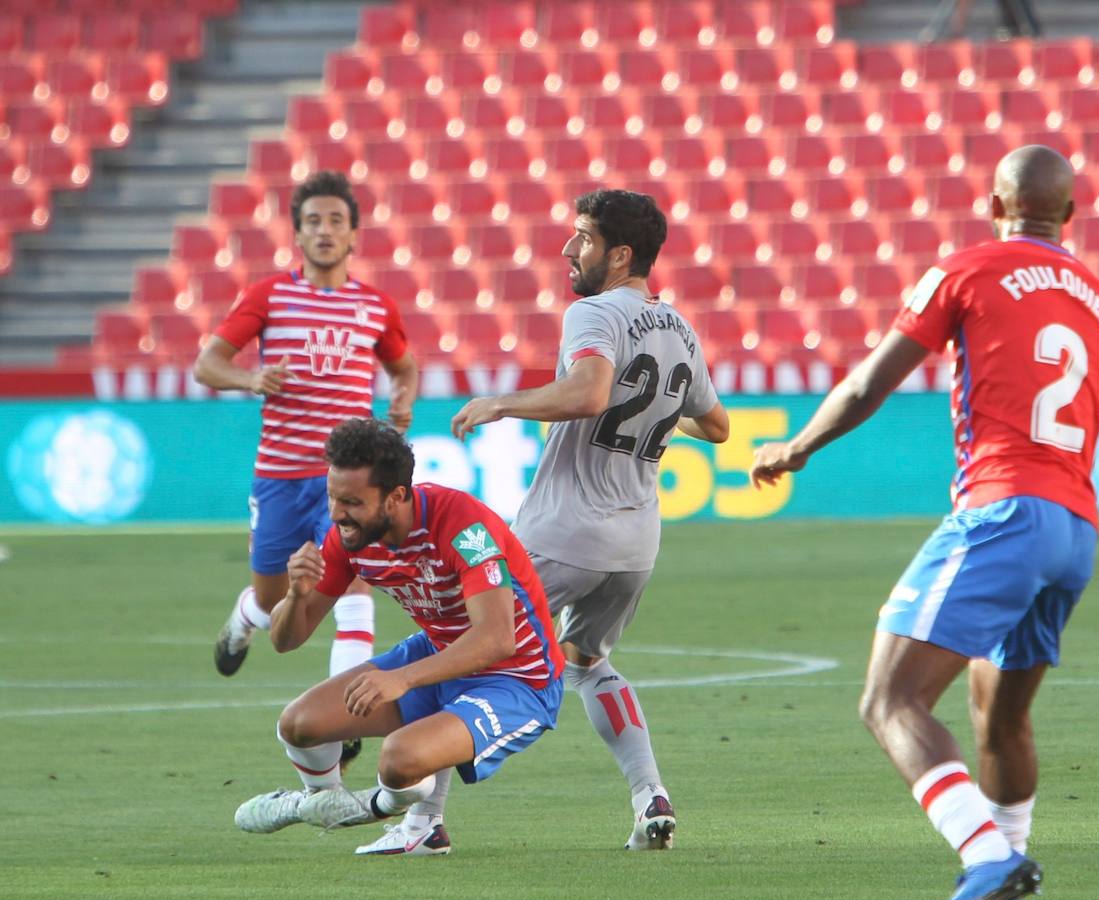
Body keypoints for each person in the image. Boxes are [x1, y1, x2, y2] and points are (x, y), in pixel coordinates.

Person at [749, 145, 1099, 900]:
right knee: (1001, 717)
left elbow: (867, 385)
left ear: (994, 206)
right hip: (1075, 532)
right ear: (1070, 216)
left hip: (1002, 514)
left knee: (890, 703)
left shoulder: (967, 270)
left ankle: (991, 861)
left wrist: (798, 447)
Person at [354, 188, 729, 857]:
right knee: (586, 660)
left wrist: (503, 403)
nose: (567, 248)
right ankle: (651, 798)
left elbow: (588, 391)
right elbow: (718, 425)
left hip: (562, 532)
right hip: (635, 543)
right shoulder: (679, 328)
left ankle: (423, 825)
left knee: (467, 644)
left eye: (581, 237)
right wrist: (653, 420)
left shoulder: (593, 312)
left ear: (618, 254)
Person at [233, 418, 564, 852]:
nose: (336, 514)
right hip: (441, 654)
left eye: (351, 502)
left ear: (396, 497)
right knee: (299, 724)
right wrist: (296, 595)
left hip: (518, 679)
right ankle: (325, 803)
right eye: (332, 498)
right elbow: (285, 640)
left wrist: (403, 678)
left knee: (400, 759)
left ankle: (362, 809)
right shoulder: (348, 538)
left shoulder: (462, 525)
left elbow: (498, 639)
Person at [194, 171, 420, 712]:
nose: (324, 231)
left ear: (353, 235)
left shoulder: (376, 306)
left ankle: (342, 719)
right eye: (313, 221)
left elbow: (404, 367)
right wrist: (250, 379)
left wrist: (403, 399)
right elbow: (208, 364)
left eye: (335, 221)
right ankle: (246, 616)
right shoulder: (269, 295)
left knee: (353, 590)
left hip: (347, 481)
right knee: (277, 603)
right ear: (297, 234)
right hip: (279, 476)